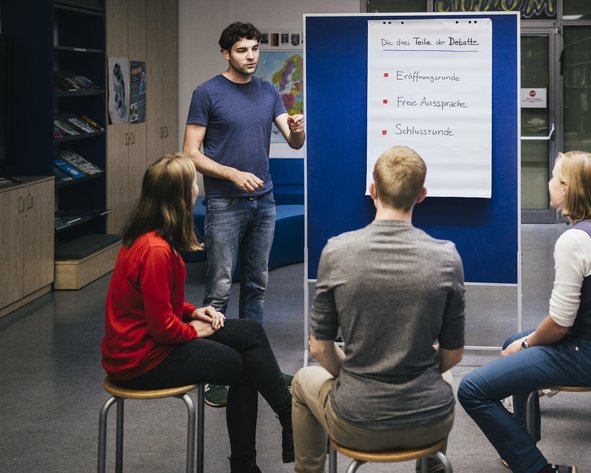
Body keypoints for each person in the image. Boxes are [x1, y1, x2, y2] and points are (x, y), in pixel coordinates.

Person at [100, 154, 295, 473]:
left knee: (249, 331)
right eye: (193, 183)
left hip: (144, 346)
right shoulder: (156, 251)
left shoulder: (149, 237)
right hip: (141, 360)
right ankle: (256, 454)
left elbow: (158, 303)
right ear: (180, 196)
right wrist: (195, 329)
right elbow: (162, 328)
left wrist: (195, 311)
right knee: (243, 367)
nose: (197, 188)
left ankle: (287, 420)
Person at [458, 151, 591, 473]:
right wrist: (522, 342)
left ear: (567, 189)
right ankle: (523, 445)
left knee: (472, 389)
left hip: (590, 356)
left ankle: (535, 467)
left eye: (555, 177)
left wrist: (526, 345)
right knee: (514, 339)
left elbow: (559, 324)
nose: (549, 182)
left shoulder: (574, 240)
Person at [291, 146, 465, 473]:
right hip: (430, 421)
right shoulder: (446, 257)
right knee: (448, 377)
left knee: (301, 382)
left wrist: (359, 377)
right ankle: (432, 469)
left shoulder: (337, 252)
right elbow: (453, 355)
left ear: (373, 190)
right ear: (422, 195)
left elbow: (319, 347)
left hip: (357, 421)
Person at [183, 21, 305, 407]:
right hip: (224, 202)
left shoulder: (269, 91)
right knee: (218, 288)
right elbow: (190, 153)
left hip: (264, 202)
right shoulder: (206, 93)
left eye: (254, 49)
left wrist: (300, 129)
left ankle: (258, 364)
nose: (251, 56)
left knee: (257, 286)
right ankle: (210, 371)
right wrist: (232, 173)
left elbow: (294, 140)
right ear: (226, 53)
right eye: (242, 50)